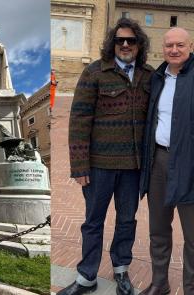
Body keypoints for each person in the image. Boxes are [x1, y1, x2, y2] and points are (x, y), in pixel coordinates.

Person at [61, 18, 153, 295]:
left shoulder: (149, 76)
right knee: (93, 222)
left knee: (127, 220)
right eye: (119, 40)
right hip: (99, 166)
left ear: (139, 45)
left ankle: (121, 269)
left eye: (131, 41)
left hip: (133, 167)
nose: (125, 45)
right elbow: (78, 120)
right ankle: (86, 276)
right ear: (111, 43)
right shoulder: (94, 72)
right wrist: (79, 166)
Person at [139, 27, 194, 295]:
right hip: (159, 160)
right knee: (158, 230)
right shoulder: (157, 77)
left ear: (190, 45)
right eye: (169, 45)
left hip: (190, 165)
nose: (174, 50)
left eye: (180, 45)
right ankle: (160, 283)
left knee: (193, 237)